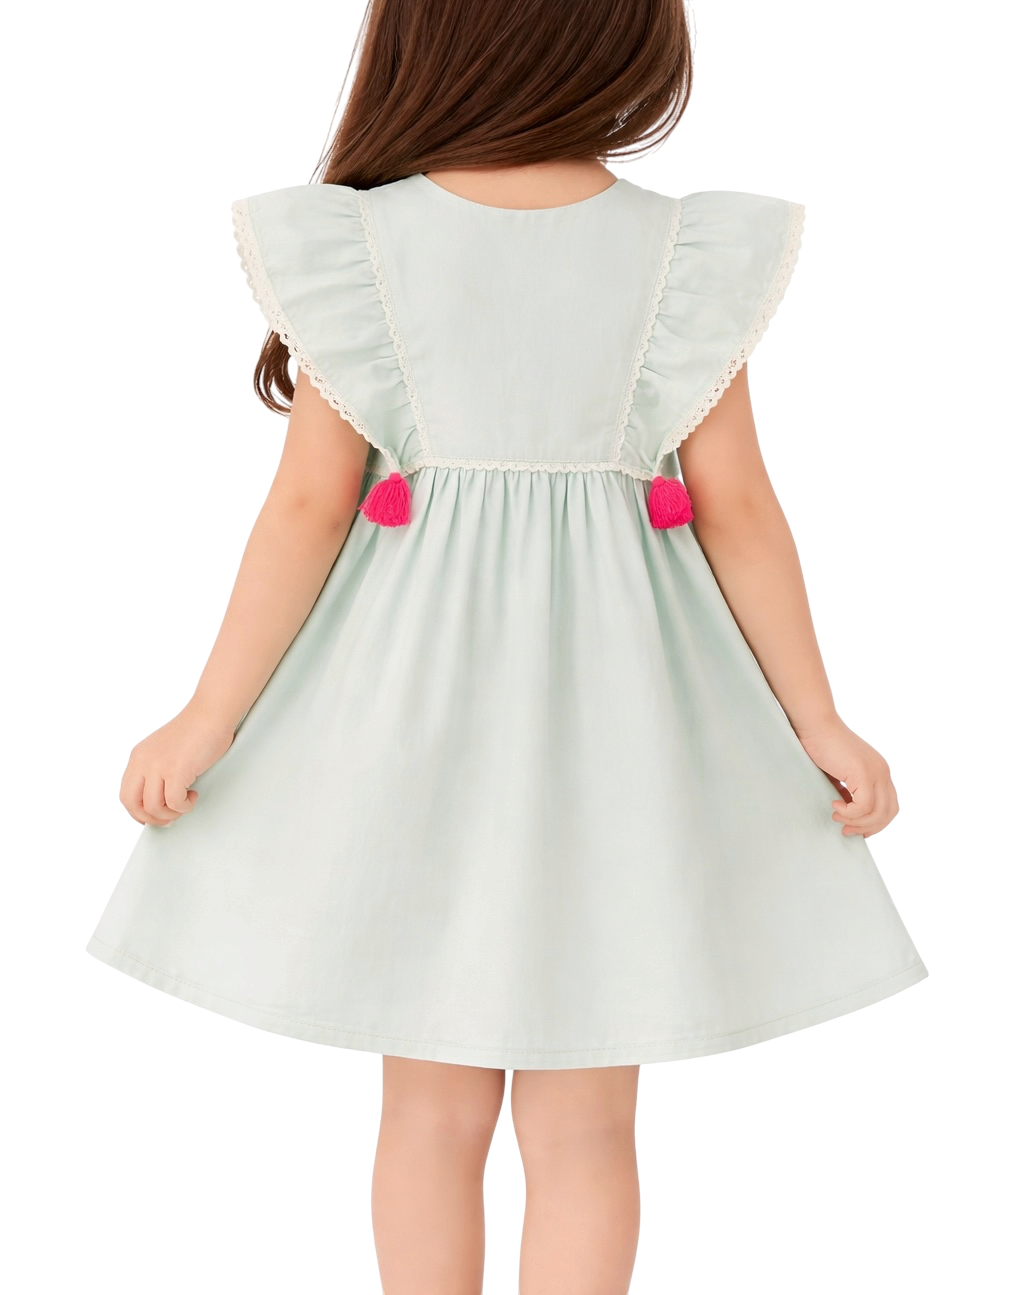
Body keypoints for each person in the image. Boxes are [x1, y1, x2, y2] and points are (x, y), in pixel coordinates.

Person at [88, 2, 927, 1290]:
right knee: (587, 1127)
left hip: (411, 716)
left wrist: (210, 716)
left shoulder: (364, 244)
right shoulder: (677, 252)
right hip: (623, 725)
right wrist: (819, 721)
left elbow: (308, 509)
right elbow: (739, 511)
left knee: (428, 1114)